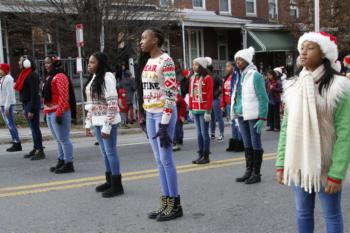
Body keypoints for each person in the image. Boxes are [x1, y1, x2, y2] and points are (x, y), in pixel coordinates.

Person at [276, 32, 350, 233]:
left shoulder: (339, 87)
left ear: (324, 53)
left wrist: (337, 173)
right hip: (299, 162)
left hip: (326, 165)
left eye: (310, 47)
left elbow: (346, 133)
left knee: (332, 215)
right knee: (302, 213)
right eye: (302, 48)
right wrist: (281, 162)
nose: (303, 52)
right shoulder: (293, 85)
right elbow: (286, 128)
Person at [137, 28, 183, 221]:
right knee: (158, 161)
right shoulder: (148, 61)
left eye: (144, 38)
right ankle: (165, 202)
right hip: (150, 114)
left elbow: (172, 93)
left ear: (155, 40)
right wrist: (143, 114)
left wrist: (164, 122)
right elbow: (146, 91)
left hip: (164, 115)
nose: (140, 41)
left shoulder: (167, 61)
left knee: (166, 160)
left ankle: (175, 204)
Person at [85, 52, 124, 198]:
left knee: (110, 152)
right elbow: (91, 104)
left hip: (108, 122)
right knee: (104, 153)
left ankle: (117, 185)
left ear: (100, 63)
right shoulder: (94, 77)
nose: (89, 64)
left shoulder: (107, 77)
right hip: (97, 121)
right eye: (89, 62)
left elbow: (112, 103)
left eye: (93, 62)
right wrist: (88, 123)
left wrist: (107, 126)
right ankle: (109, 181)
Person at [231, 47, 268, 184]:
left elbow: (263, 97)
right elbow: (236, 96)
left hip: (253, 115)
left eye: (240, 59)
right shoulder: (239, 75)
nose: (238, 62)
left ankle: (256, 173)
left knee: (255, 142)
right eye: (236, 60)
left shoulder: (255, 75)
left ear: (247, 60)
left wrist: (263, 117)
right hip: (241, 114)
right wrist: (234, 111)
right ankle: (249, 170)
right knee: (246, 143)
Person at [42, 56, 76, 173]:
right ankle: (61, 160)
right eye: (45, 63)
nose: (46, 65)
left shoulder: (60, 76)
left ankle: (68, 163)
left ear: (54, 63)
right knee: (58, 139)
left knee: (63, 139)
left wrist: (59, 113)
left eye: (48, 63)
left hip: (59, 112)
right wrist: (45, 112)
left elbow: (64, 96)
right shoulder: (50, 77)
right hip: (50, 111)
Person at [15, 55, 45, 160]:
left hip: (31, 104)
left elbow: (34, 93)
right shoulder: (24, 74)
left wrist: (31, 109)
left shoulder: (32, 75)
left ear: (26, 62)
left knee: (35, 127)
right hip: (26, 103)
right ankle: (35, 148)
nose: (19, 62)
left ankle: (40, 150)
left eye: (20, 60)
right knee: (32, 128)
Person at [189, 57, 214, 165]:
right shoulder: (193, 78)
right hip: (195, 109)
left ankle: (206, 155)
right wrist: (190, 108)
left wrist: (208, 111)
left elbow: (209, 96)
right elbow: (191, 94)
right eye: (193, 64)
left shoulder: (208, 78)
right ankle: (200, 154)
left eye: (196, 65)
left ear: (202, 66)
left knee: (204, 133)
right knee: (198, 134)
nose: (194, 67)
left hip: (204, 110)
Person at [221, 61, 244, 152]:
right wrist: (222, 104)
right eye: (226, 66)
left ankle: (240, 143)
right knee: (232, 125)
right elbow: (223, 92)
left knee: (238, 124)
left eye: (228, 66)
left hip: (235, 103)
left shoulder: (237, 76)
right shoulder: (227, 78)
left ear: (233, 67)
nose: (226, 68)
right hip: (228, 104)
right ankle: (234, 143)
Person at [0, 63, 22, 152]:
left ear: (5, 70)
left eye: (1, 69)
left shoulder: (9, 79)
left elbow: (9, 94)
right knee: (9, 125)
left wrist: (7, 107)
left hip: (7, 105)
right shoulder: (3, 78)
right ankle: (14, 142)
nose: (0, 71)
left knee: (11, 124)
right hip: (3, 104)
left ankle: (17, 143)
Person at [208, 65, 224, 142]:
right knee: (212, 118)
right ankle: (212, 134)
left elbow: (222, 85)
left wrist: (217, 94)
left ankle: (221, 134)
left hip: (215, 100)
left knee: (218, 117)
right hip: (210, 100)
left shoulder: (215, 76)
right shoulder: (208, 77)